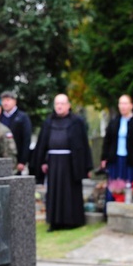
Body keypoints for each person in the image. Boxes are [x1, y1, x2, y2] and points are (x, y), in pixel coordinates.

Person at [30, 94, 93, 231]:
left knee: (71, 192)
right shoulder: (48, 122)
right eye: (57, 103)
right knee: (54, 193)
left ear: (68, 105)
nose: (59, 106)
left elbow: (83, 144)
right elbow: (43, 145)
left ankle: (72, 221)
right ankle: (54, 222)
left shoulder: (77, 122)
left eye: (62, 103)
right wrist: (43, 161)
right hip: (53, 163)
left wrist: (87, 166)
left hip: (71, 163)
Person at [100, 94, 133, 206]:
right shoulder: (114, 122)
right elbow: (108, 141)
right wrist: (104, 157)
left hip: (131, 161)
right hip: (116, 159)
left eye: (125, 103)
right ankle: (111, 208)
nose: (122, 106)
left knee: (130, 185)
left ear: (131, 106)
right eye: (120, 103)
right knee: (114, 184)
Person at [0, 90, 33, 175]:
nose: (5, 103)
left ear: (14, 101)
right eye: (3, 100)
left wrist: (23, 161)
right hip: (0, 160)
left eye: (8, 100)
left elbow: (26, 139)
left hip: (16, 160)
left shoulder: (23, 117)